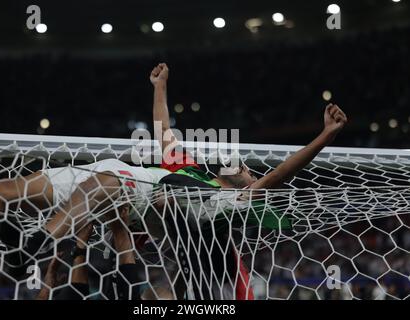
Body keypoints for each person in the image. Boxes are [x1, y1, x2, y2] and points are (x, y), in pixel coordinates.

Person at [148, 63, 348, 299]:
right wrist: (160, 86)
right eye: (244, 166)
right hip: (150, 217)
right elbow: (164, 133)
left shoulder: (238, 200)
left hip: (194, 245)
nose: (243, 167)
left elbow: (280, 173)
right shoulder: (190, 174)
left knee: (163, 293)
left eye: (249, 173)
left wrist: (326, 135)